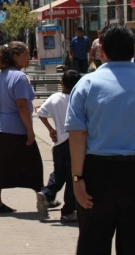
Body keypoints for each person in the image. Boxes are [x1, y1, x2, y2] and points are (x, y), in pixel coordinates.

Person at [67, 23, 135, 254]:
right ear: (134, 49)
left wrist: (77, 178)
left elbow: (76, 136)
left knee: (93, 245)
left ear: (101, 50)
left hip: (97, 176)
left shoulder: (86, 84)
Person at [0, 42, 43, 214]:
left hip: (0, 128)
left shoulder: (0, 73)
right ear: (15, 57)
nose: (29, 57)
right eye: (26, 54)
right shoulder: (19, 77)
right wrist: (30, 130)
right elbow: (22, 105)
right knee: (34, 165)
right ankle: (44, 196)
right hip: (17, 129)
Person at [36, 70, 82, 222]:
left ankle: (47, 193)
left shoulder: (55, 98)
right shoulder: (79, 99)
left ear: (62, 83)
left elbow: (41, 112)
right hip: (74, 143)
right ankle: (68, 211)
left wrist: (50, 129)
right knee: (72, 177)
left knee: (59, 172)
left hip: (58, 144)